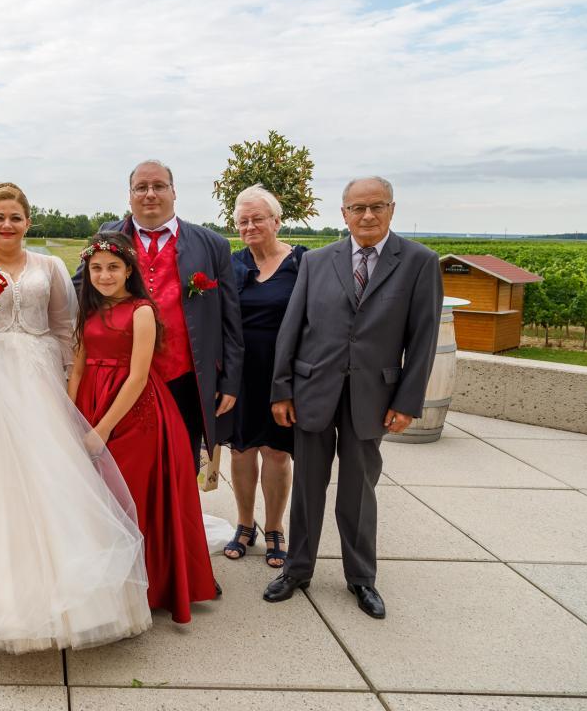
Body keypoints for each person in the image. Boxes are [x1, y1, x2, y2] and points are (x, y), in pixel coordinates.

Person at [0, 183, 151, 656]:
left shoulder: (49, 267)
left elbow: (65, 328)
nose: (7, 225)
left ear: (28, 221)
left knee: (52, 474)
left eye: (16, 217)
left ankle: (72, 584)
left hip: (39, 377)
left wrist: (70, 388)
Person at [264, 177, 442, 619]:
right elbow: (292, 329)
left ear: (392, 209)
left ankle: (361, 578)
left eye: (376, 206)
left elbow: (423, 339)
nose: (367, 215)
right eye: (357, 208)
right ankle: (296, 569)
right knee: (307, 487)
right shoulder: (316, 261)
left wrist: (407, 402)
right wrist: (282, 389)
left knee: (359, 490)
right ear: (343, 214)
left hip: (374, 396)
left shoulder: (419, 262)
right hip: (312, 391)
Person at [69, 231, 218, 624]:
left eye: (113, 267)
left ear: (128, 270)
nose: (104, 275)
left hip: (132, 412)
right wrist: (70, 417)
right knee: (94, 497)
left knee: (129, 496)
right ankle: (101, 582)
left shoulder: (142, 311)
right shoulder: (88, 310)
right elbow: (78, 368)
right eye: (96, 268)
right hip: (90, 401)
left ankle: (141, 587)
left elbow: (138, 376)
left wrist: (102, 429)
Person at [77, 160, 245, 475]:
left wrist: (230, 380)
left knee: (180, 469)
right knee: (120, 472)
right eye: (141, 187)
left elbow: (229, 318)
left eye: (159, 186)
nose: (150, 194)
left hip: (184, 379)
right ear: (130, 195)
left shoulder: (212, 245)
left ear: (174, 191)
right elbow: (79, 289)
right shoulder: (108, 235)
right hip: (119, 382)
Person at [220, 185, 305, 568]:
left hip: (282, 373)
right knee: (241, 450)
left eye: (257, 219)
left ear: (276, 221)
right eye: (243, 221)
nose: (250, 226)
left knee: (276, 451)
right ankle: (244, 524)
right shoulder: (232, 264)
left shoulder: (302, 263)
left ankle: (274, 527)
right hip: (240, 373)